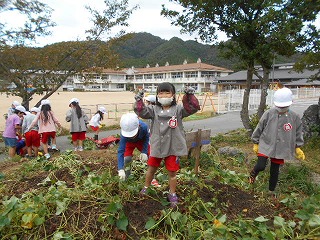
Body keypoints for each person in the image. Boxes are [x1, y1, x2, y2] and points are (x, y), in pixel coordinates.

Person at [134, 82, 200, 208]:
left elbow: (192, 108)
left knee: (172, 172)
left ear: (173, 95)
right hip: (158, 145)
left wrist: (189, 95)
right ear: (157, 95)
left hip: (173, 146)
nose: (164, 95)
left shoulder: (179, 109)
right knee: (151, 169)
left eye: (167, 92)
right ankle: (146, 187)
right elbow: (141, 112)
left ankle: (172, 193)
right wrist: (139, 100)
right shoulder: (153, 110)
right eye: (161, 93)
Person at [249, 87, 305, 197]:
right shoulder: (269, 113)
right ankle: (252, 174)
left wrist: (298, 147)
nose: (281, 108)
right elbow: (259, 127)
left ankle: (271, 191)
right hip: (266, 143)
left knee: (275, 170)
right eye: (279, 106)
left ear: (289, 104)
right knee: (261, 166)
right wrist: (255, 142)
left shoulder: (294, 117)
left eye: (284, 106)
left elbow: (298, 132)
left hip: (281, 147)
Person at [117, 112, 150, 180]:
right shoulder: (124, 135)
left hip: (141, 141)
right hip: (128, 143)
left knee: (150, 156)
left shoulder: (144, 127)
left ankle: (151, 177)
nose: (132, 136)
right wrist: (120, 169)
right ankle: (126, 177)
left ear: (138, 127)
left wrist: (144, 151)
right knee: (127, 159)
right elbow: (121, 151)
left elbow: (147, 139)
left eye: (132, 134)